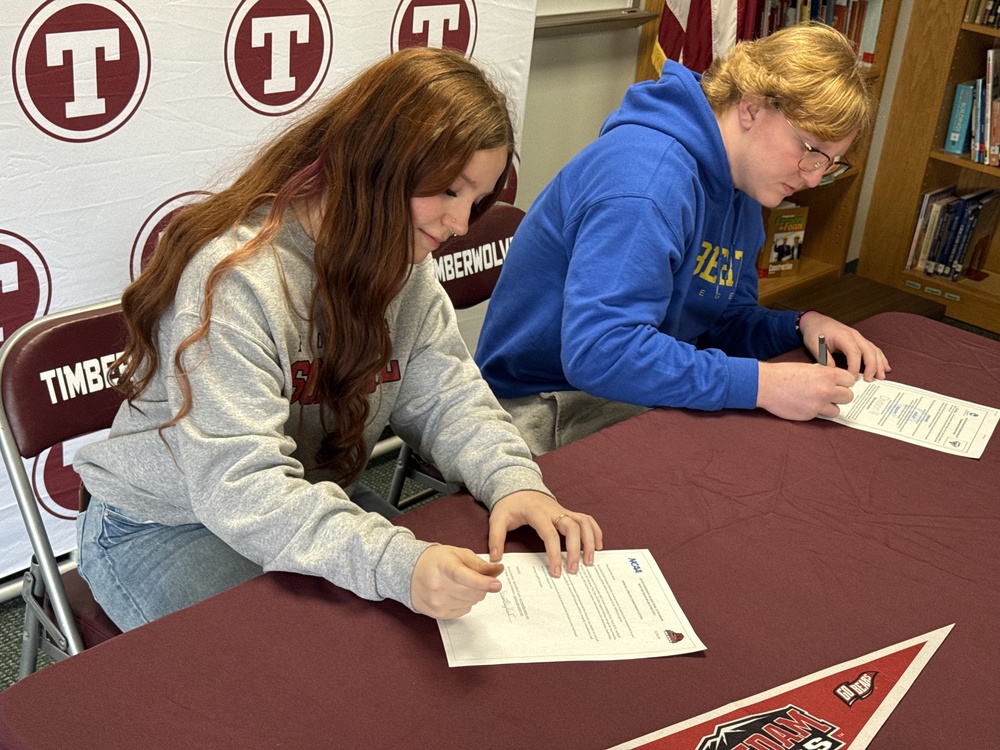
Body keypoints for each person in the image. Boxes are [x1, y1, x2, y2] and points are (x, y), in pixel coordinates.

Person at [74, 46, 601, 632]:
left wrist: (513, 482)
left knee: (415, 639)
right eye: (449, 191)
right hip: (165, 520)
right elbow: (241, 487)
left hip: (300, 496)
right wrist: (395, 562)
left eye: (474, 201)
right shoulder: (235, 278)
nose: (458, 224)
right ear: (378, 163)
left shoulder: (403, 262)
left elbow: (448, 398)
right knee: (306, 678)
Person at [474, 22, 891, 456]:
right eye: (810, 151)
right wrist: (761, 384)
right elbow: (602, 352)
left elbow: (717, 323)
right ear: (751, 108)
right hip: (542, 404)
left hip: (625, 384)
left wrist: (801, 324)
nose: (814, 177)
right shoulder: (646, 182)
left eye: (830, 162)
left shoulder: (745, 184)